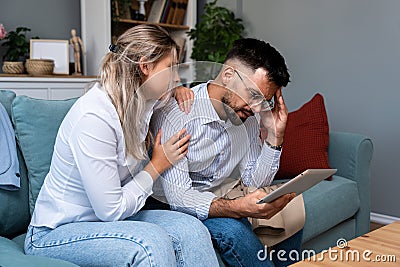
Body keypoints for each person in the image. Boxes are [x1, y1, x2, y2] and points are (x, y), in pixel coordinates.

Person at [24, 25, 219, 267]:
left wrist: (174, 88)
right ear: (145, 67)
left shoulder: (142, 100)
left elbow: (165, 92)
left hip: (108, 222)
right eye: (171, 68)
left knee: (191, 229)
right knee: (151, 243)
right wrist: (157, 165)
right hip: (57, 232)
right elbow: (111, 211)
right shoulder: (95, 118)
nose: (177, 76)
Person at [150, 38, 304, 267]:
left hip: (214, 194)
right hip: (165, 203)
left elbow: (254, 180)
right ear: (229, 75)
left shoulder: (248, 118)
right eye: (253, 95)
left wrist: (275, 137)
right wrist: (236, 208)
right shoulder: (179, 113)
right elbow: (179, 199)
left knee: (292, 207)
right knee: (233, 230)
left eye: (264, 101)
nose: (256, 109)